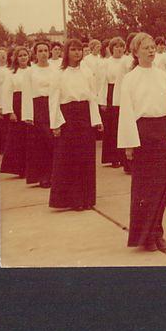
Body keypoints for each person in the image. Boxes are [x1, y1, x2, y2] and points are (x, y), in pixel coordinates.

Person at [117, 33, 166, 251]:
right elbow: (126, 112)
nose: (151, 51)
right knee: (145, 188)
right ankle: (144, 236)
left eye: (153, 47)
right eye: (146, 48)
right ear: (135, 52)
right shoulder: (130, 78)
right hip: (142, 134)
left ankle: (157, 233)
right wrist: (129, 145)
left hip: (162, 131)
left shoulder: (162, 75)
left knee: (161, 186)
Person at [48, 39, 103, 211]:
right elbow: (54, 99)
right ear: (67, 52)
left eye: (79, 49)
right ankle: (72, 199)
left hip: (85, 115)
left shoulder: (86, 72)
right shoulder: (59, 73)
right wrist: (55, 123)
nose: (77, 53)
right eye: (73, 49)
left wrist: (97, 120)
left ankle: (86, 199)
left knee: (85, 157)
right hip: (68, 117)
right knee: (69, 158)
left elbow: (92, 97)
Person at [22, 41, 57, 188]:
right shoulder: (30, 71)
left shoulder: (55, 69)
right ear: (35, 54)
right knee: (41, 143)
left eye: (45, 50)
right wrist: (28, 115)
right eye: (40, 51)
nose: (43, 53)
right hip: (38, 107)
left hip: (53, 105)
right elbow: (27, 93)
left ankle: (55, 175)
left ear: (49, 53)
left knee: (54, 141)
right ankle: (43, 176)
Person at [0, 46, 32, 177]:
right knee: (18, 138)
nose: (23, 57)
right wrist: (10, 111)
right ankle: (19, 168)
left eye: (25, 55)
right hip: (17, 105)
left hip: (30, 104)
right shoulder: (11, 74)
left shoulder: (32, 71)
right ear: (16, 59)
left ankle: (30, 167)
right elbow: (6, 93)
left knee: (31, 138)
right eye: (20, 55)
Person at [98, 36, 128, 169]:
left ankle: (124, 157)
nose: (119, 49)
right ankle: (113, 157)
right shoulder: (106, 63)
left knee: (123, 125)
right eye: (116, 46)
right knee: (111, 127)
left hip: (124, 93)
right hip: (110, 94)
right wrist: (102, 100)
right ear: (111, 49)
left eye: (121, 46)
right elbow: (102, 83)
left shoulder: (128, 61)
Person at [0, 48, 11, 156]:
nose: (2, 56)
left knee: (7, 127)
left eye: (4, 54)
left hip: (8, 100)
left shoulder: (10, 69)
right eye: (0, 54)